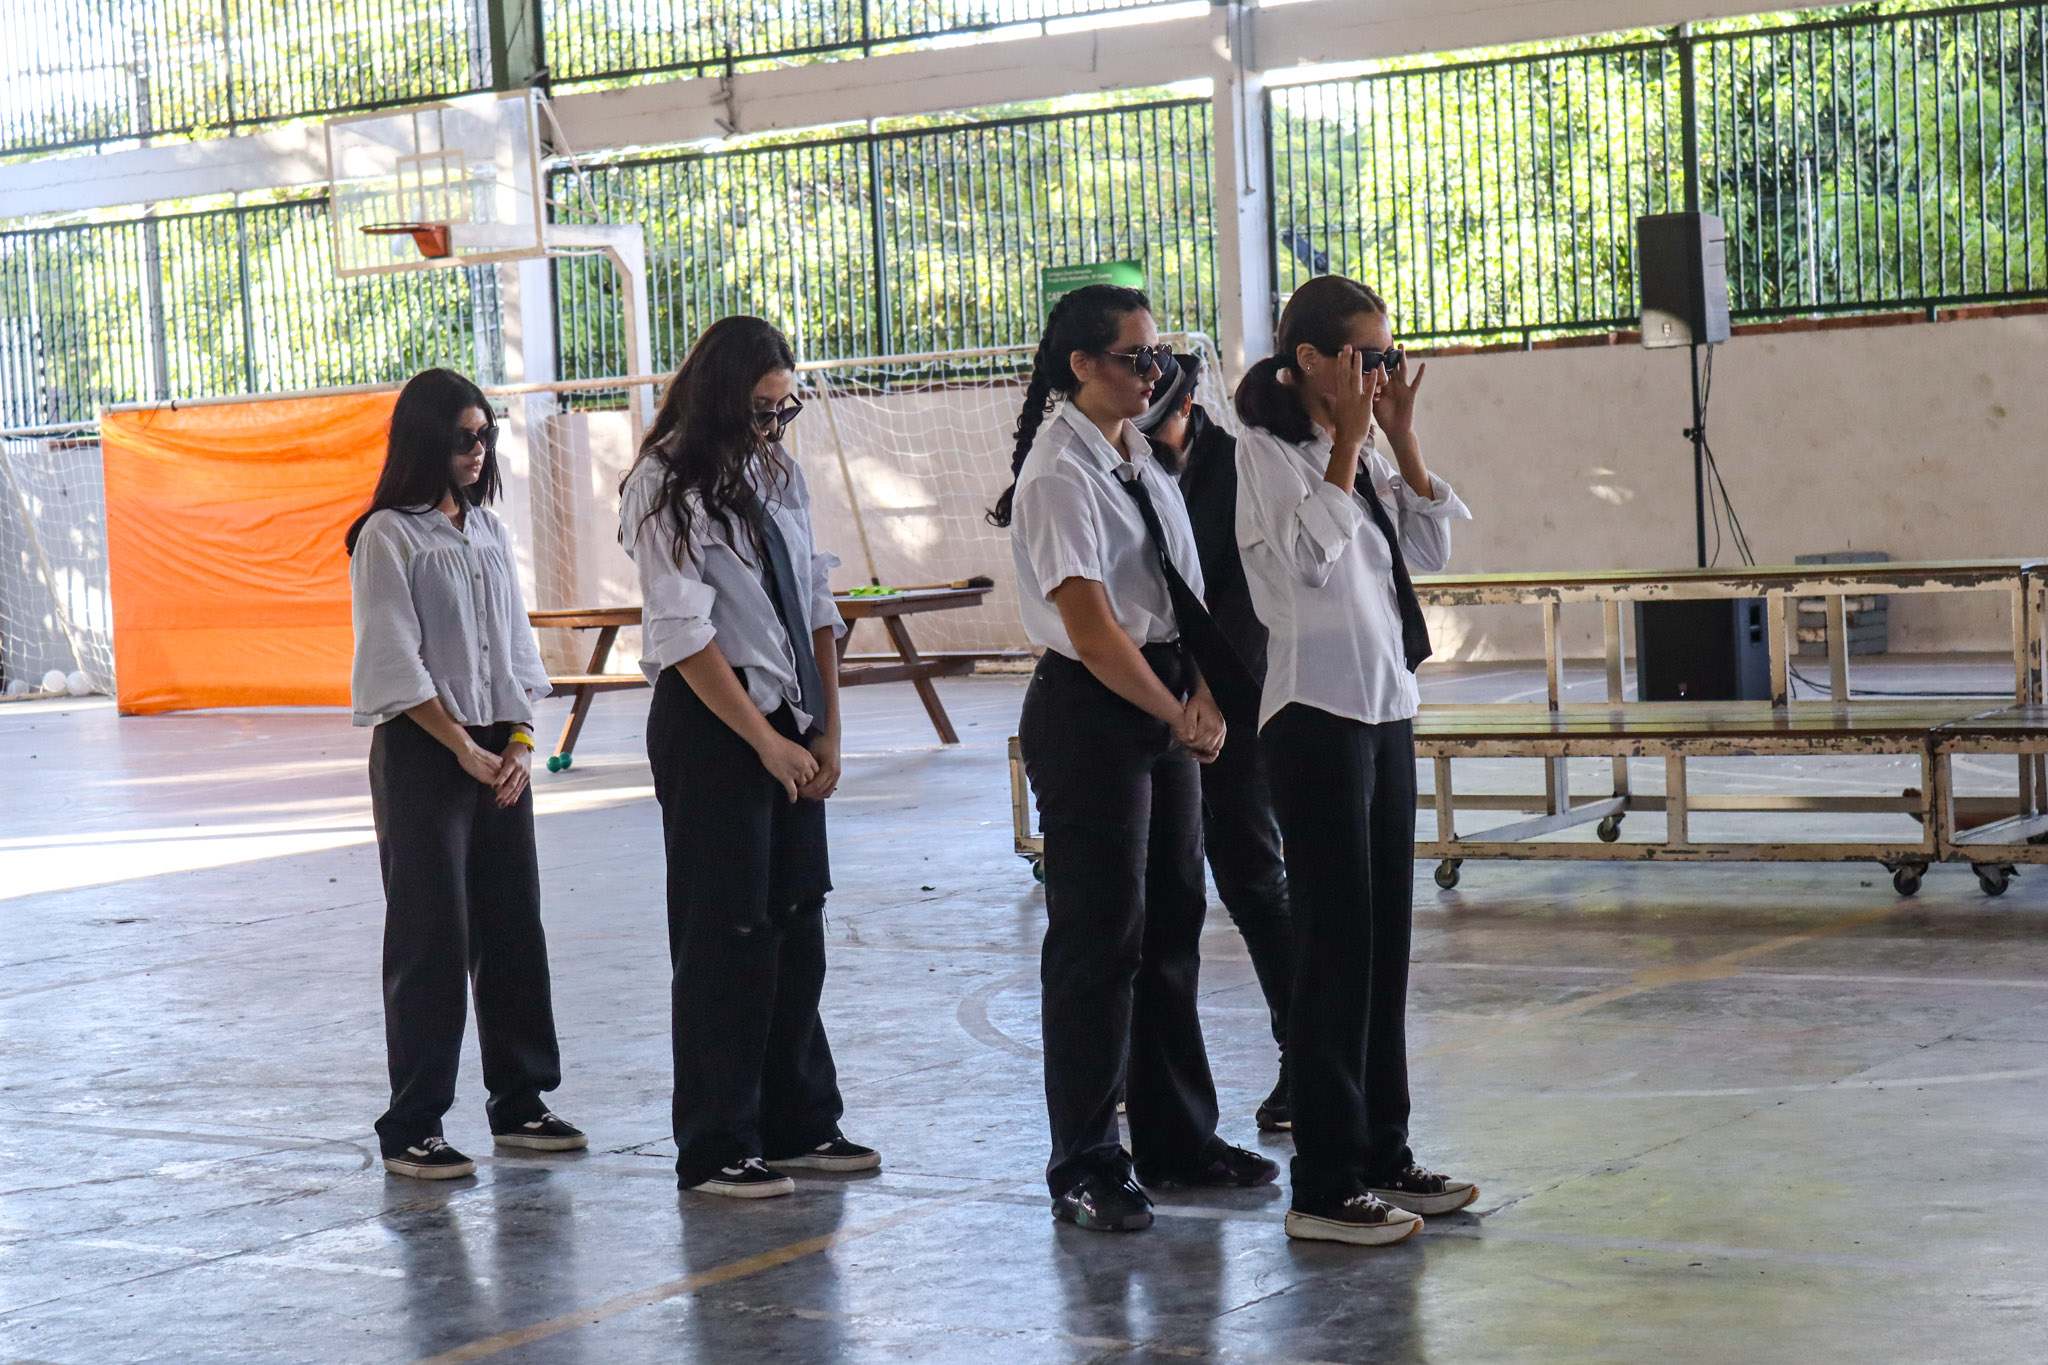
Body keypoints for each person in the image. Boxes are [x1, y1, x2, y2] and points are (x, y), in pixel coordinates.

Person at [994, 284, 1278, 1234]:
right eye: (1134, 357)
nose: (1153, 373)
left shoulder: (1138, 460)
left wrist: (1205, 696)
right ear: (1081, 364)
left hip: (1164, 698)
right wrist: (1176, 712)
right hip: (1094, 710)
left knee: (1171, 925)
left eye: (1158, 357)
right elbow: (1092, 629)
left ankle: (1177, 1137)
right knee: (1099, 940)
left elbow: (1181, 596)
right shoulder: (1057, 473)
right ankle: (1085, 1159)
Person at [1233, 275, 1476, 1246]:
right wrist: (1345, 444)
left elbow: (1431, 551)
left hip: (1382, 710)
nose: (1381, 373)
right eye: (1366, 358)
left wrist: (1398, 441)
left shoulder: (1364, 450)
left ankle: (1383, 1150)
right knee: (1333, 953)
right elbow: (1304, 564)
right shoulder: (1263, 454)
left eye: (1387, 356)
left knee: (1382, 946)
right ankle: (1325, 1183)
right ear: (1310, 361)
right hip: (1315, 717)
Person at [620, 315, 879, 1200]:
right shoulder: (662, 485)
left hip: (788, 720)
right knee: (724, 936)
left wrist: (825, 729)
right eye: (761, 410)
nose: (773, 426)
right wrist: (763, 741)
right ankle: (716, 1141)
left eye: (783, 410)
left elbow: (816, 600)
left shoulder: (776, 471)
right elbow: (683, 631)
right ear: (720, 398)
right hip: (714, 725)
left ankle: (798, 1119)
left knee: (796, 920)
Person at [347, 367, 585, 1180]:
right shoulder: (388, 536)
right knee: (431, 934)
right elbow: (393, 657)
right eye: (461, 438)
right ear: (424, 440)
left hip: (497, 747)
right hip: (425, 748)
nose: (477, 451)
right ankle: (413, 1122)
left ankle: (521, 1099)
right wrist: (461, 746)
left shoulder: (487, 532)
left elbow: (515, 647)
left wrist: (519, 741)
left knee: (513, 922)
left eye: (486, 436)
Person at [1134, 351, 1296, 1134]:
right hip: (1149, 704)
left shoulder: (1238, 472)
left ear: (1188, 410)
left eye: (1156, 422)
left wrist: (1208, 697)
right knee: (1152, 897)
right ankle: (1144, 1069)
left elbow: (1248, 602)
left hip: (1231, 704)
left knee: (1254, 880)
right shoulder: (1123, 468)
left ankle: (1305, 1053)